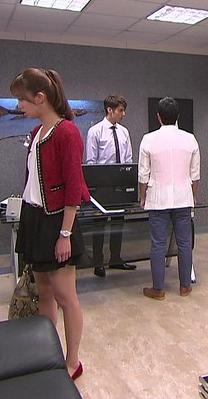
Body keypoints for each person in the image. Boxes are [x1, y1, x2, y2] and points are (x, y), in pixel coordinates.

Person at [10, 67, 87, 380]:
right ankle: (47, 353)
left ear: (40, 97)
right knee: (43, 292)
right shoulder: (36, 133)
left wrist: (65, 234)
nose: (19, 106)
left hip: (58, 221)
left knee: (66, 297)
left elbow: (73, 187)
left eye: (22, 100)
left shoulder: (66, 132)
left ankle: (73, 361)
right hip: (35, 219)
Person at [138, 97, 200, 300]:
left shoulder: (148, 139)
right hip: (183, 198)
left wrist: (142, 197)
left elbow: (143, 175)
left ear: (158, 117)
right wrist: (194, 196)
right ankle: (185, 286)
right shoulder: (190, 139)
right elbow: (195, 175)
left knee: (158, 244)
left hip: (158, 200)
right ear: (178, 116)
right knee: (184, 243)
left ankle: (158, 289)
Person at [85, 94, 136, 277]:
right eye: (120, 110)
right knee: (99, 225)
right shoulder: (95, 131)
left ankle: (116, 259)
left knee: (118, 223)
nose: (123, 114)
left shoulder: (124, 132)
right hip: (102, 186)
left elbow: (128, 159)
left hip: (120, 185)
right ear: (110, 110)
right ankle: (98, 262)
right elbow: (91, 161)